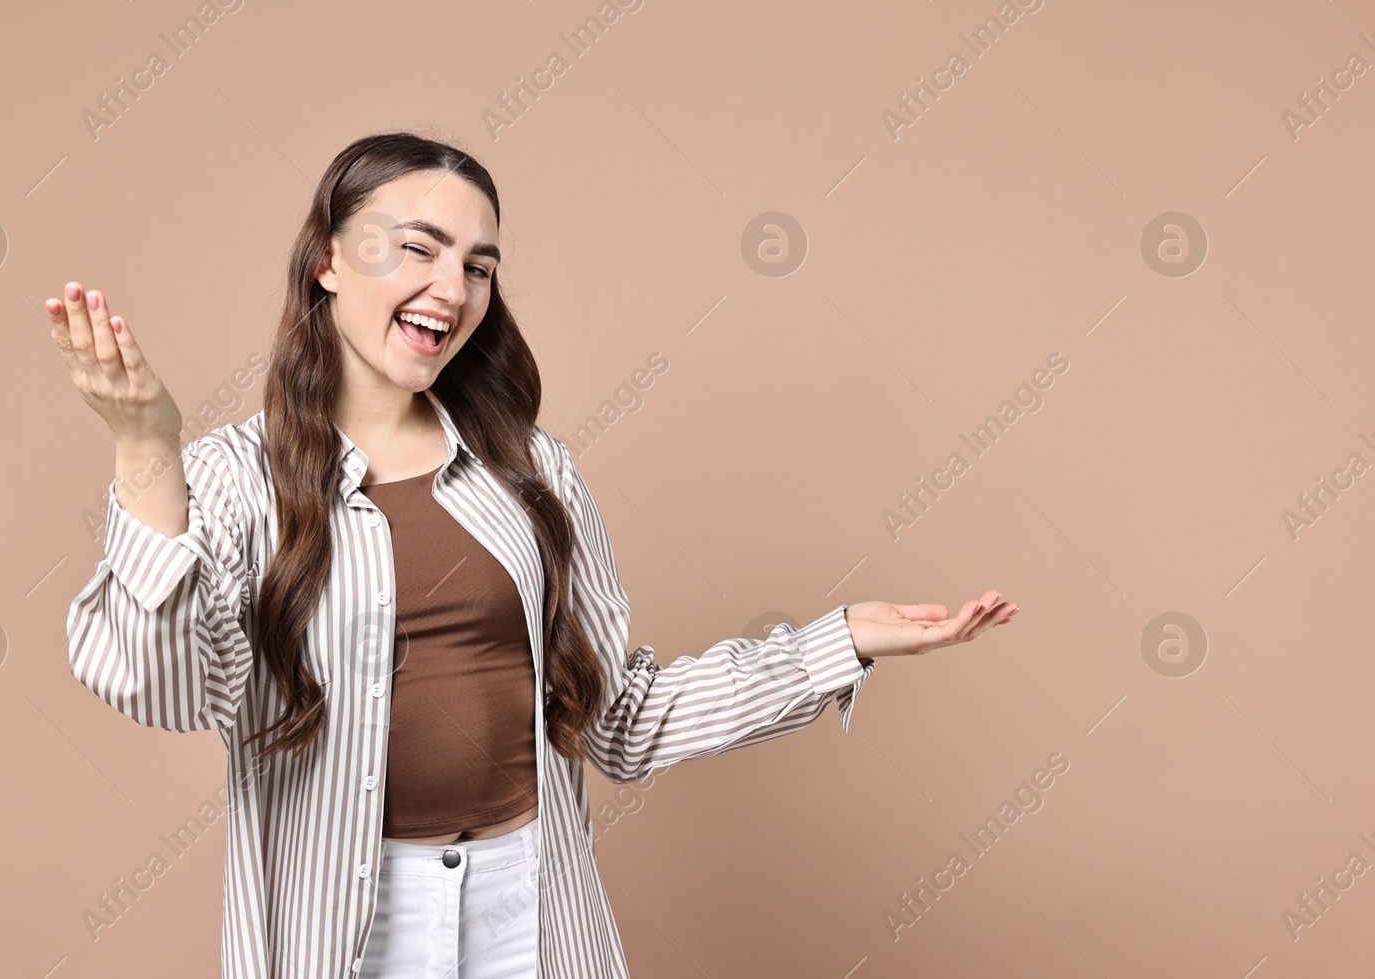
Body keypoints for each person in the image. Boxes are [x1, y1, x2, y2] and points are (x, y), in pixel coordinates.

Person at [49, 131, 1018, 979]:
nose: (451, 287)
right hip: (344, 931)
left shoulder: (529, 470)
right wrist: (143, 451)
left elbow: (620, 722)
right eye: (416, 250)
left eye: (477, 264)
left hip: (533, 913)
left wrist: (833, 640)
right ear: (327, 260)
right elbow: (163, 686)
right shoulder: (223, 482)